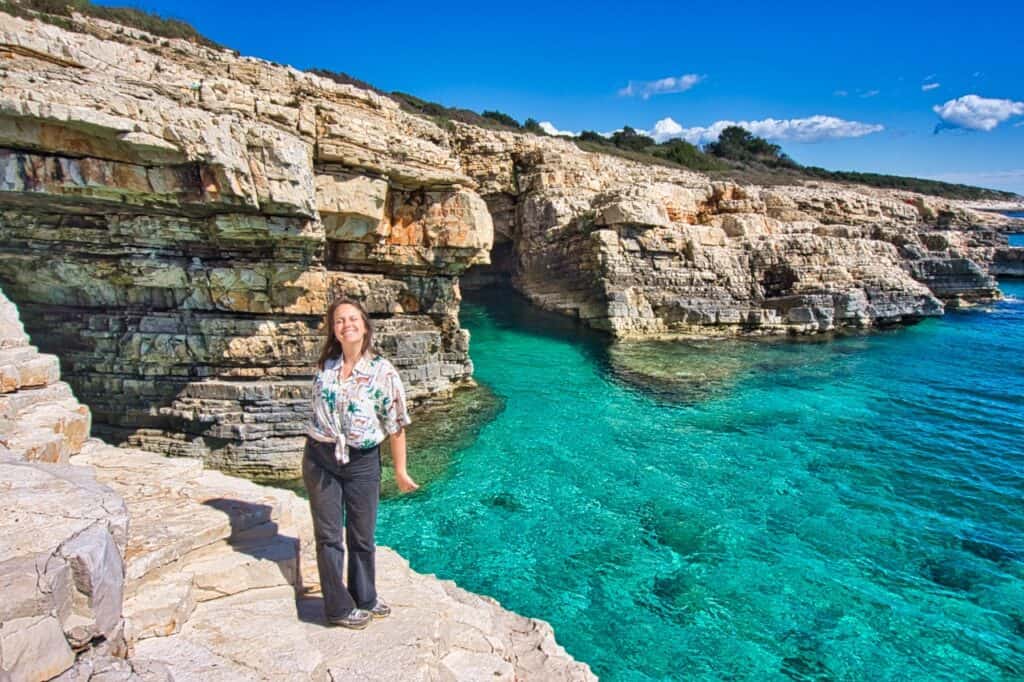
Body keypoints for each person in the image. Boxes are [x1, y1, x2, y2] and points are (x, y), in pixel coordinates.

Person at [304, 298, 420, 629]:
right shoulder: (325, 363)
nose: (346, 325)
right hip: (320, 458)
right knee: (328, 537)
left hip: (362, 461)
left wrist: (400, 470)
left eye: (353, 319)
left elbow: (396, 423)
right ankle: (338, 608)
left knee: (362, 535)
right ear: (333, 329)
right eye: (339, 320)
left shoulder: (383, 371)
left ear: (365, 326)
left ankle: (365, 596)